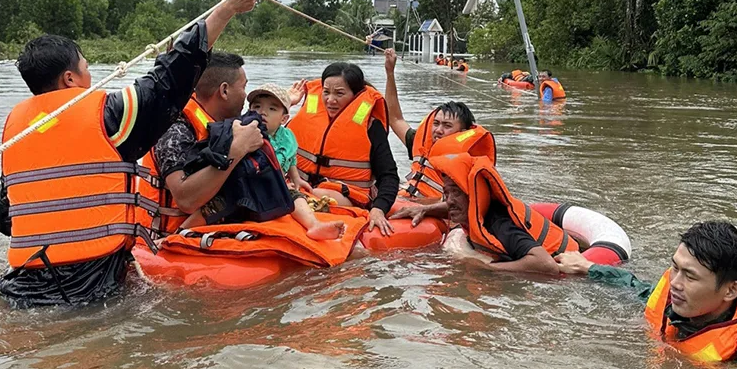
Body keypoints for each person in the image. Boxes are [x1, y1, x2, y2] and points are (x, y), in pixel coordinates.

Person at [0, 0, 260, 308]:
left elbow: (5, 221)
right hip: (89, 289)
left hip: (18, 289)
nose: (90, 77)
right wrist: (224, 11)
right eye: (87, 68)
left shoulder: (14, 131)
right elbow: (168, 80)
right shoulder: (108, 115)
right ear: (70, 79)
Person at [140, 57, 344, 240]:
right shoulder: (175, 129)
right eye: (244, 87)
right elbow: (186, 200)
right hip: (172, 234)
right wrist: (237, 149)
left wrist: (287, 101)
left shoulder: (226, 122)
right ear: (224, 90)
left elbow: (265, 118)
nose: (246, 96)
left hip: (222, 218)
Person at [556, 221, 737, 362]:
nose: (674, 282)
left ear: (730, 290)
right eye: (675, 267)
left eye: (690, 276)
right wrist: (589, 267)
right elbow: (636, 288)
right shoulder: (677, 291)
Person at [403, 152, 579, 274]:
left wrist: (488, 269)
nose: (448, 201)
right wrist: (424, 209)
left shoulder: (500, 224)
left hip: (567, 262)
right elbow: (459, 208)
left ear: (473, 193)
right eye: (446, 193)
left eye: (456, 192)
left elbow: (546, 265)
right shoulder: (479, 207)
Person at [288, 62, 399, 236]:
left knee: (317, 194)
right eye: (326, 92)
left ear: (355, 95)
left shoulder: (371, 127)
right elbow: (272, 142)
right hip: (301, 186)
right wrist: (286, 104)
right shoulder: (307, 116)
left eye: (339, 93)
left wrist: (379, 208)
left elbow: (389, 176)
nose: (330, 100)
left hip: (346, 194)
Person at [383, 48, 496, 201]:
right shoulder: (421, 142)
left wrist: (413, 203)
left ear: (462, 132)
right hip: (406, 200)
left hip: (429, 214)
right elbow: (394, 118)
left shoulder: (468, 162)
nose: (438, 130)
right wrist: (390, 73)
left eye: (447, 126)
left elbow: (464, 203)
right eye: (436, 123)